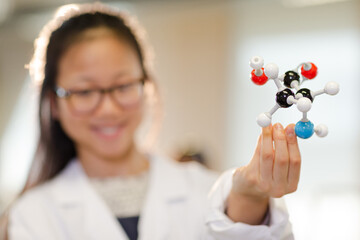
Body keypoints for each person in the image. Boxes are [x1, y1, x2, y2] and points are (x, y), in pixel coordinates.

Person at [4, 2, 301, 240]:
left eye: (122, 86)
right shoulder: (33, 215)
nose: (108, 109)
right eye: (84, 91)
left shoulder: (208, 191)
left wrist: (249, 200)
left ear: (147, 87)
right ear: (53, 103)